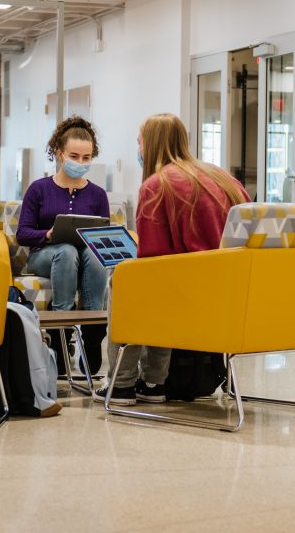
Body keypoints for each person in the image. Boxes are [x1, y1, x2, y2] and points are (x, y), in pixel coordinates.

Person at [95, 113, 249, 406]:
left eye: (139, 143)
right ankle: (152, 385)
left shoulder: (157, 186)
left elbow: (154, 260)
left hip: (190, 299)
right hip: (233, 298)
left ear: (149, 144)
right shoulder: (226, 180)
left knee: (125, 279)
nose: (138, 150)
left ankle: (123, 383)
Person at [16, 116, 110, 375]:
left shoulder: (98, 195)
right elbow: (22, 234)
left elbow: (103, 236)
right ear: (59, 153)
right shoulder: (39, 189)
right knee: (66, 252)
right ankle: (60, 334)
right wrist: (47, 235)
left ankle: (92, 335)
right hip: (44, 255)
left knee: (93, 255)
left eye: (86, 157)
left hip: (85, 260)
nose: (81, 163)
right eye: (74, 156)